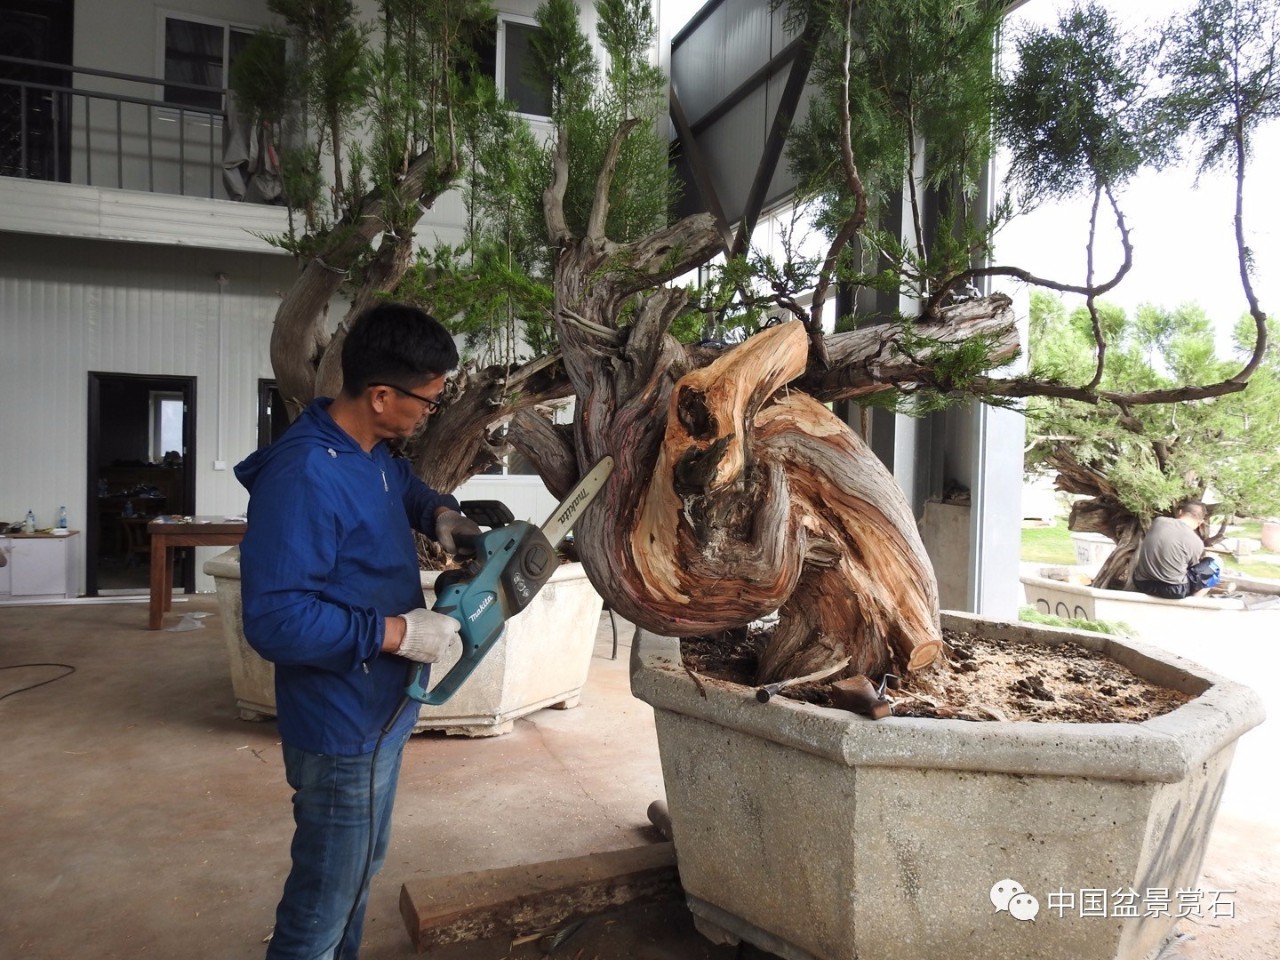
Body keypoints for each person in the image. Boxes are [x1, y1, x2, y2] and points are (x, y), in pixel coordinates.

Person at [234, 302, 482, 960]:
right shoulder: (306, 476)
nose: (431, 412)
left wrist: (440, 513)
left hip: (380, 709)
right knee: (323, 901)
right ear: (380, 395)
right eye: (427, 401)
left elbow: (401, 483)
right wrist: (400, 633)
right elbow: (276, 618)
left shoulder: (367, 448)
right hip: (341, 725)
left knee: (356, 876)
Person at [1131, 500, 1220, 600]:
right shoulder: (1197, 542)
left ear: (1180, 512)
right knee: (1215, 562)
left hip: (1142, 583)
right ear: (1200, 522)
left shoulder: (1159, 521)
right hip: (1173, 590)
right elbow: (1192, 568)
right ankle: (1194, 603)